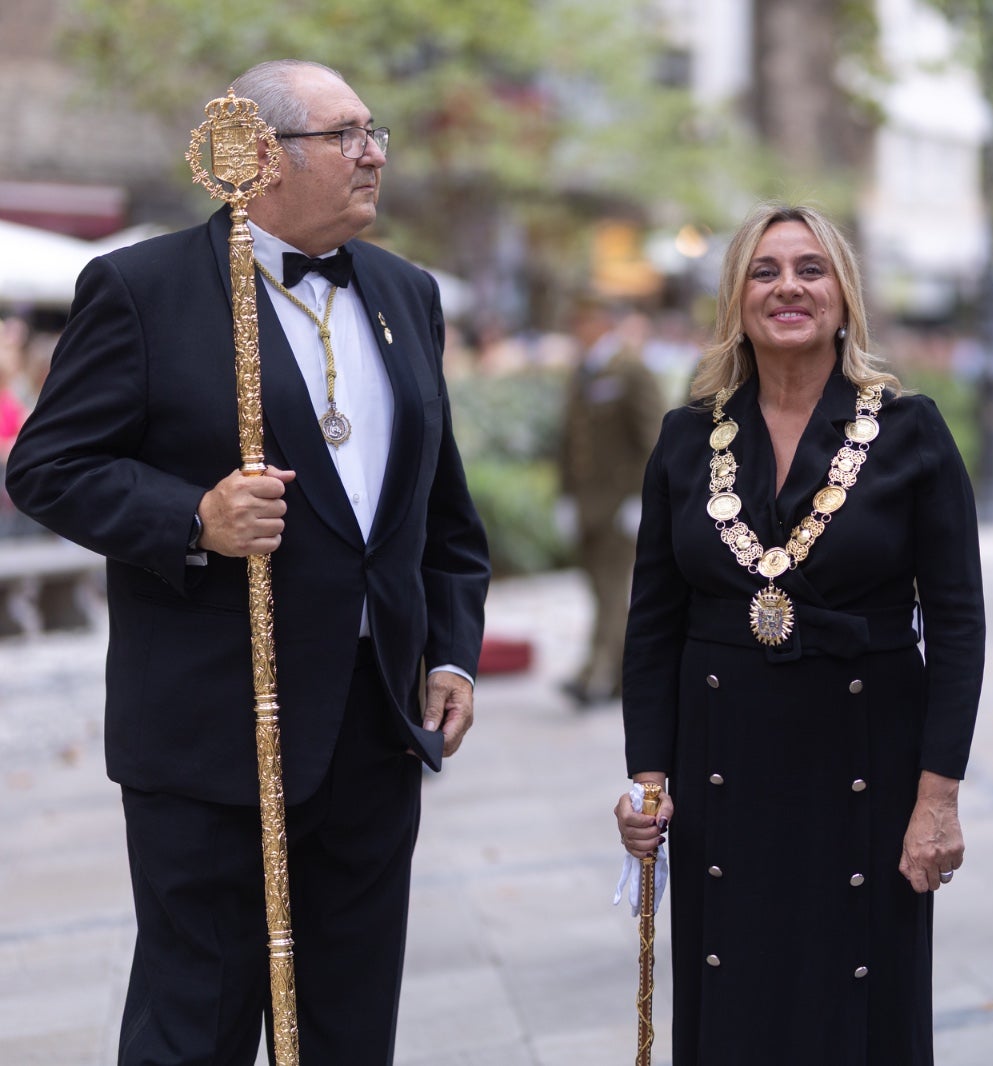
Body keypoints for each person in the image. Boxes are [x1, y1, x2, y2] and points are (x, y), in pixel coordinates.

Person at [5, 60, 490, 1065]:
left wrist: (451, 650)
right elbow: (48, 465)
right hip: (215, 722)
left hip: (374, 724)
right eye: (345, 134)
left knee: (349, 1026)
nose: (374, 154)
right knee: (199, 1021)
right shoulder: (142, 289)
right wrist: (194, 514)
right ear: (262, 154)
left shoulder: (408, 292)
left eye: (375, 131)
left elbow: (438, 509)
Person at [613, 202, 985, 1065]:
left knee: (860, 1006)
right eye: (765, 270)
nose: (789, 287)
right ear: (736, 297)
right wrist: (646, 782)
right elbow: (651, 628)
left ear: (845, 295)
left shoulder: (911, 432)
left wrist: (938, 801)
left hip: (868, 770)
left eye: (811, 270)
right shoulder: (684, 438)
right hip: (721, 775)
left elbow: (959, 630)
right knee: (733, 999)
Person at [557, 299, 664, 706]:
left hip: (620, 503)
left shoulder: (632, 370)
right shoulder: (582, 371)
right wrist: (565, 496)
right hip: (588, 505)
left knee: (612, 589)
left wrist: (643, 499)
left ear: (601, 321)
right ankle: (622, 676)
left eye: (581, 321)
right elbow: (568, 441)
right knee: (600, 592)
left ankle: (593, 675)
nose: (576, 330)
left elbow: (652, 439)